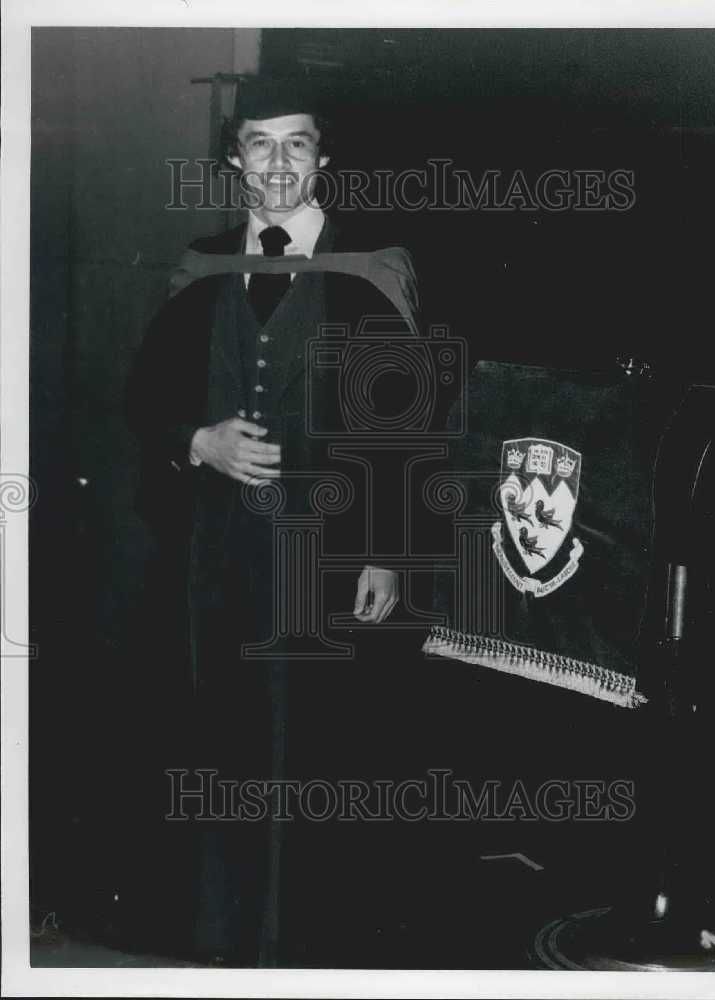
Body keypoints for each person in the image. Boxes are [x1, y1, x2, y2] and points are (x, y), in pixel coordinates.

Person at [126, 74, 420, 966]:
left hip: (328, 554)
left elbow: (406, 424)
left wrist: (384, 551)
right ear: (235, 162)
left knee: (315, 749)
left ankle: (303, 950)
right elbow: (145, 400)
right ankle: (217, 941)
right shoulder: (196, 265)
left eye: (297, 142)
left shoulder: (374, 270)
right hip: (212, 553)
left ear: (323, 159)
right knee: (217, 736)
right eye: (261, 142)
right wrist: (197, 441)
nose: (280, 160)